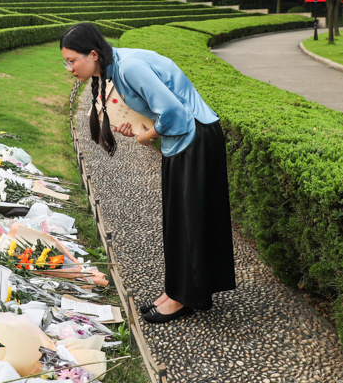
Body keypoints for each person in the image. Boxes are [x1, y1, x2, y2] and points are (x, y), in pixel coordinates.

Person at [60, 22, 235, 323]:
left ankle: (184, 298)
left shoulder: (129, 68)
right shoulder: (115, 67)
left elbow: (176, 114)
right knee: (178, 223)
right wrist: (141, 128)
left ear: (92, 54)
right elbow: (158, 109)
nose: (69, 68)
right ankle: (176, 291)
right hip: (183, 141)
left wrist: (147, 135)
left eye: (72, 60)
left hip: (195, 139)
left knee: (189, 224)